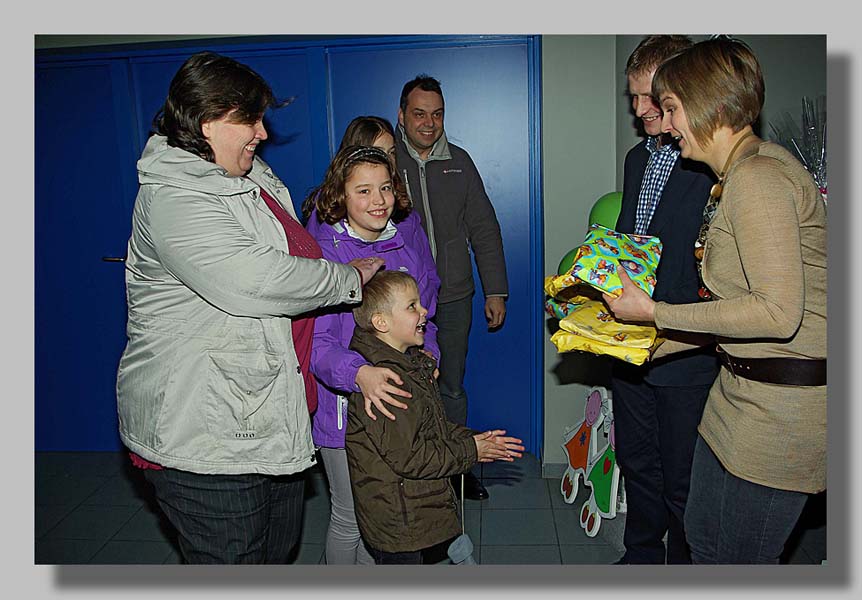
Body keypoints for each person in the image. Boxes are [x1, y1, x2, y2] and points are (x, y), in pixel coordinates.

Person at [115, 51, 384, 564]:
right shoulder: (175, 195)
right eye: (250, 119)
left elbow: (293, 256)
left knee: (272, 555)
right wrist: (349, 278)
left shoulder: (246, 174)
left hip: (266, 413)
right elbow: (254, 279)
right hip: (208, 433)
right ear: (207, 119)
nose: (262, 132)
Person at [604, 37, 827, 564]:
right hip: (737, 399)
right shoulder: (738, 175)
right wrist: (646, 345)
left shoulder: (758, 178)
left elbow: (776, 312)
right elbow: (734, 310)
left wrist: (655, 314)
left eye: (671, 106)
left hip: (777, 417)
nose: (661, 121)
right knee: (704, 545)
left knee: (735, 564)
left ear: (706, 105)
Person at [303, 142, 441, 564]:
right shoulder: (325, 255)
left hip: (395, 409)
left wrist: (430, 352)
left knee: (380, 518)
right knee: (351, 518)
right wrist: (360, 374)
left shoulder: (404, 247)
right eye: (363, 191)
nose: (377, 201)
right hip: (344, 411)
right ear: (340, 195)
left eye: (384, 188)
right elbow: (319, 347)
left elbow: (424, 319)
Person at [610, 35, 720, 565]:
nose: (638, 110)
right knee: (637, 460)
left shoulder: (710, 164)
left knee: (683, 477)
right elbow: (635, 246)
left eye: (648, 97)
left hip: (686, 348)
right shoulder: (636, 159)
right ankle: (641, 557)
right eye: (632, 98)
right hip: (631, 345)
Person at [345, 270, 524, 564]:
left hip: (410, 509)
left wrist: (472, 440)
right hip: (397, 517)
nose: (424, 310)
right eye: (412, 306)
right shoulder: (386, 384)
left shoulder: (410, 365)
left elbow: (430, 428)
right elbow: (411, 457)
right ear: (381, 322)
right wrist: (471, 450)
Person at [394, 74, 509, 500]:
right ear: (402, 115)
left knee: (451, 386)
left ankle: (459, 469)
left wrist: (496, 289)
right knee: (402, 388)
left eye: (437, 114)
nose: (429, 123)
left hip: (454, 297)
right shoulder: (387, 163)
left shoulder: (459, 162)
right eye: (419, 114)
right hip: (400, 304)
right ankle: (411, 471)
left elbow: (484, 229)